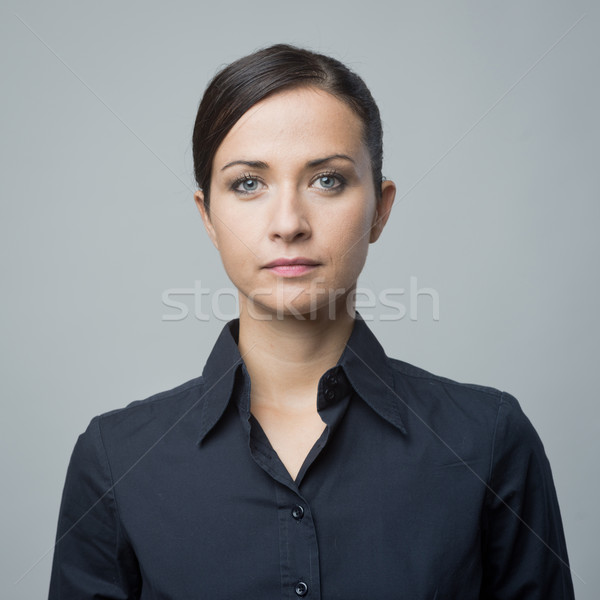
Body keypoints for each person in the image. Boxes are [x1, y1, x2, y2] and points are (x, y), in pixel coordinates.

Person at [48, 44, 575, 599]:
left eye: (327, 180)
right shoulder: (116, 459)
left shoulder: (488, 439)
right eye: (248, 183)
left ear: (380, 208)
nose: (288, 224)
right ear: (207, 216)